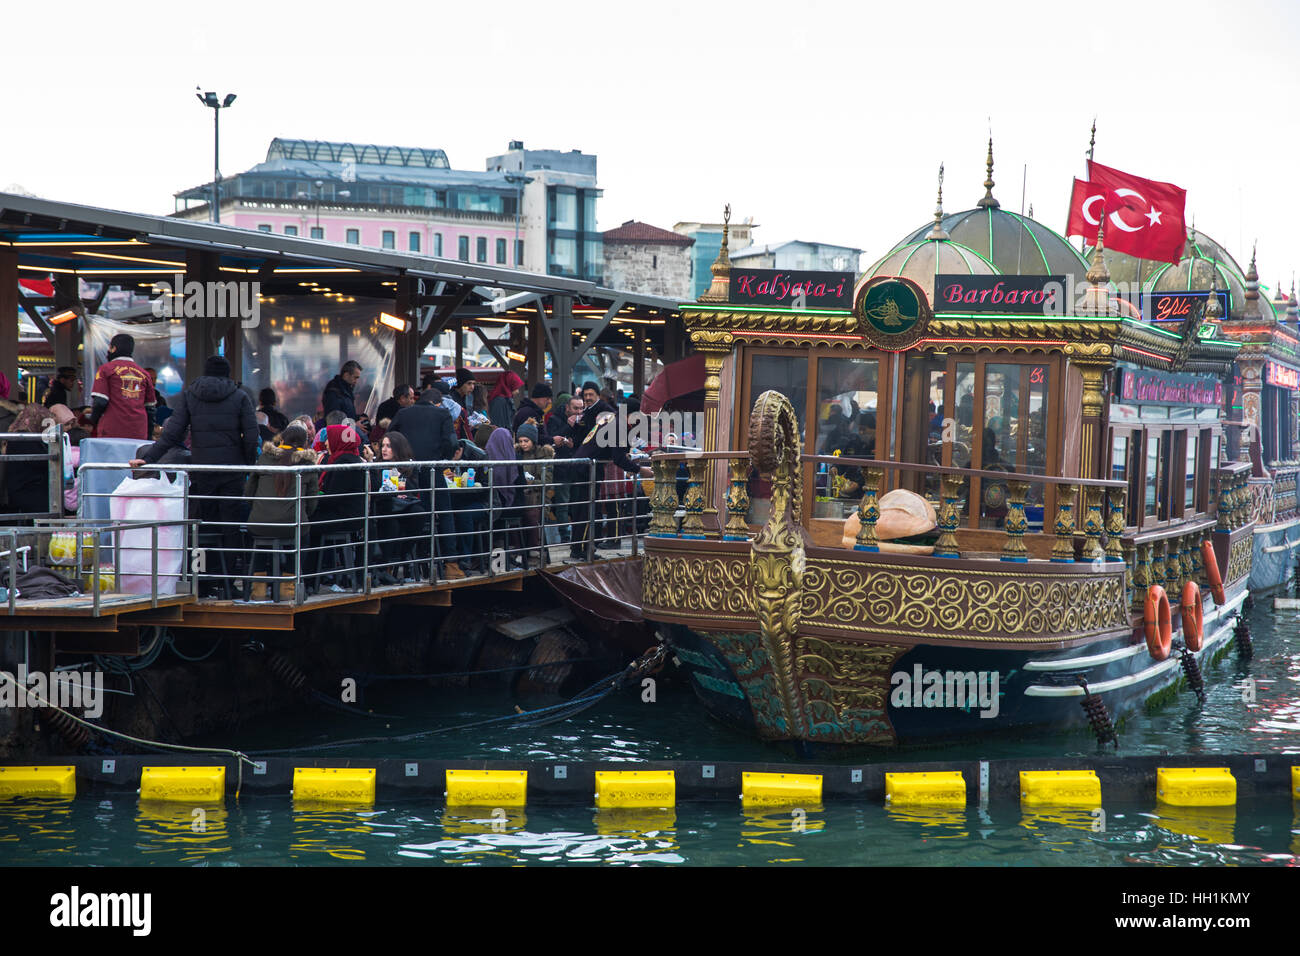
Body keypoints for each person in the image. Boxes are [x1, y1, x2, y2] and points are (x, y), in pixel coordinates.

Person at [131, 355, 258, 592]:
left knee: (203, 526)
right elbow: (251, 437)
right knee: (230, 528)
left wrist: (148, 458)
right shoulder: (240, 397)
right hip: (232, 471)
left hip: (201, 470)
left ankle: (204, 581)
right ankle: (229, 583)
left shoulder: (191, 396)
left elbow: (172, 433)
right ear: (228, 373)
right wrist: (247, 464)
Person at [308, 423, 369, 593]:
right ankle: (309, 581)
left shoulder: (343, 463)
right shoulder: (349, 459)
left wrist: (313, 499)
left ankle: (307, 580)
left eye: (329, 439)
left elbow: (333, 497)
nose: (326, 443)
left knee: (307, 526)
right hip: (349, 514)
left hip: (345, 517)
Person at [5, 403, 76, 520]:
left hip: (27, 488)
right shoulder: (25, 439)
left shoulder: (25, 436)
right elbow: (44, 463)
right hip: (28, 491)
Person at [369, 431, 421, 584]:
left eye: (389, 446)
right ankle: (387, 566)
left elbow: (413, 489)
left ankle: (403, 555)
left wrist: (397, 477)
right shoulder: (376, 466)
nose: (384, 449)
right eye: (382, 445)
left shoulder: (408, 465)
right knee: (392, 523)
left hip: (404, 505)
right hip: (383, 506)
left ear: (398, 448)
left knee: (419, 514)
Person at [88, 333, 156, 440]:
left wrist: (92, 422)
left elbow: (100, 402)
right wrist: (148, 436)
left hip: (112, 432)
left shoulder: (105, 369)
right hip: (138, 433)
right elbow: (150, 409)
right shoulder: (144, 374)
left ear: (113, 348)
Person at [514, 422, 554, 568]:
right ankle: (517, 551)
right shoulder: (516, 455)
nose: (523, 444)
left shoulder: (544, 455)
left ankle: (533, 551)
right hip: (521, 496)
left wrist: (530, 483)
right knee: (513, 513)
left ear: (533, 440)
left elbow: (547, 481)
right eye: (520, 441)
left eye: (526, 441)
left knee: (530, 514)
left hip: (539, 497)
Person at [451, 367, 477, 440]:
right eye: (469, 383)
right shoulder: (451, 399)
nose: (472, 387)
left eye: (473, 384)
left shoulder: (469, 397)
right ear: (461, 383)